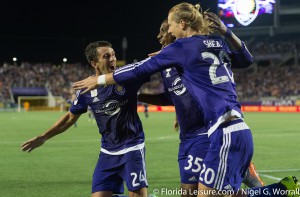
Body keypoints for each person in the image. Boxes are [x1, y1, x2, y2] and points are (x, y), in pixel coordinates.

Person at [73, 3, 299, 197]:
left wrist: (101, 80)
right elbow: (246, 60)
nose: (165, 31)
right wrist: (226, 32)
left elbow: (139, 68)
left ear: (181, 24)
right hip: (229, 127)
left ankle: (280, 189)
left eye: (169, 26)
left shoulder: (181, 47)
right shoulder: (214, 42)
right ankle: (282, 188)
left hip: (222, 130)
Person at [138, 16, 263, 197]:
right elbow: (172, 96)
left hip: (204, 133)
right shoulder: (166, 65)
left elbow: (241, 62)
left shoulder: (191, 58)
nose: (160, 35)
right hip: (186, 137)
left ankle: (267, 187)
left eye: (164, 30)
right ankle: (264, 185)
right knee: (206, 192)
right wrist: (139, 97)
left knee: (194, 192)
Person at [21, 41, 149, 197]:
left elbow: (148, 68)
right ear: (94, 63)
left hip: (132, 147)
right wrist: (44, 137)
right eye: (106, 56)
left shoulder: (126, 78)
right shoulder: (86, 90)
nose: (113, 59)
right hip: (107, 151)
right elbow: (70, 118)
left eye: (114, 55)